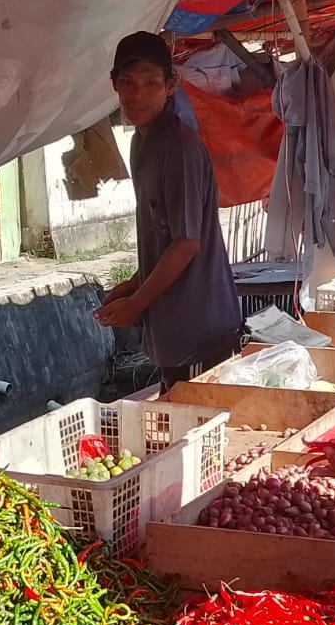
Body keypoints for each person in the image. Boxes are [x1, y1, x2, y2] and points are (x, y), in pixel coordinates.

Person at [94, 31, 243, 387]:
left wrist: (137, 303)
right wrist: (135, 284)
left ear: (170, 86)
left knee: (193, 415)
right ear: (114, 84)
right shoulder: (140, 144)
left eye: (150, 83)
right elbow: (163, 234)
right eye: (128, 83)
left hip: (200, 329)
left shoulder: (180, 147)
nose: (138, 95)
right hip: (173, 329)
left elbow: (186, 243)